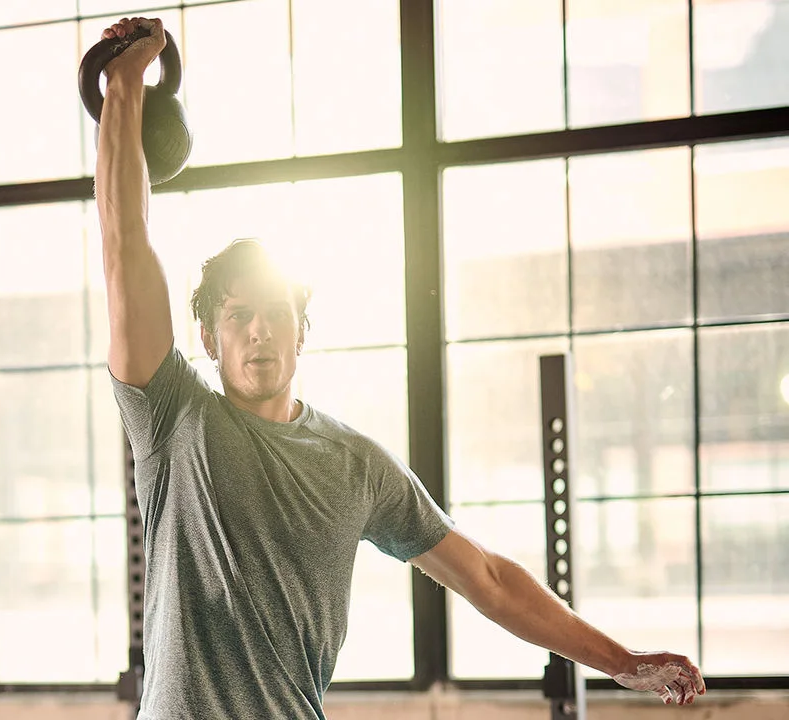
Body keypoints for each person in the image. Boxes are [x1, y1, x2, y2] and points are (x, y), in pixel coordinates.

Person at [91, 16, 703, 718]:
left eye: (276, 312)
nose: (259, 330)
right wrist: (124, 81)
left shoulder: (355, 465)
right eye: (238, 315)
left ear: (302, 332)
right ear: (207, 336)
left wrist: (622, 662)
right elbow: (124, 241)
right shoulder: (171, 416)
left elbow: (489, 580)